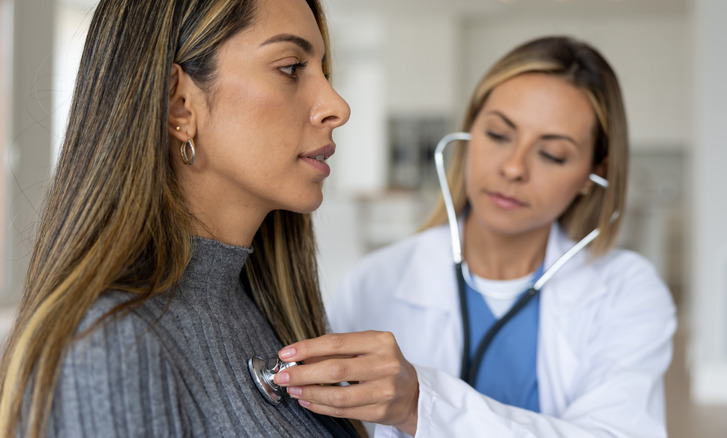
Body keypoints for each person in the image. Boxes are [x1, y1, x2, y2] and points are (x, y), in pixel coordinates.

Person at [270, 36, 677, 437]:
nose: (514, 168)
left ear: (594, 173)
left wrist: (420, 407)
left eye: (552, 154)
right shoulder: (377, 281)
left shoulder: (626, 291)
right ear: (470, 134)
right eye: (499, 135)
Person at [0, 0, 365, 436]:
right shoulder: (105, 347)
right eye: (290, 68)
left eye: (323, 72)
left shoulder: (268, 312)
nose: (337, 106)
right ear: (179, 104)